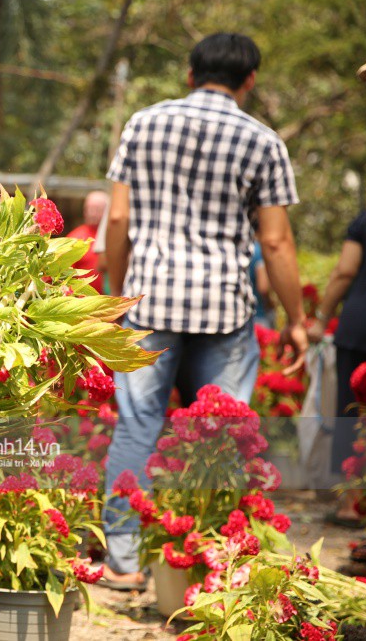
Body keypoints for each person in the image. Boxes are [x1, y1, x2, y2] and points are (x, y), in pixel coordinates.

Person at [100, 33, 308, 590]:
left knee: (137, 428)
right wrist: (295, 319)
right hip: (224, 308)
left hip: (149, 300)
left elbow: (116, 221)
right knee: (220, 437)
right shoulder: (264, 142)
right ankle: (213, 558)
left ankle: (122, 562)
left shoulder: (142, 124)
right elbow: (278, 242)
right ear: (250, 81)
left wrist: (115, 296)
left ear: (190, 74)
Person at [307, 157, 366, 527]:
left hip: (360, 326)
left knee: (352, 413)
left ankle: (352, 503)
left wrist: (320, 318)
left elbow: (345, 271)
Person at [67, 190, 109, 292]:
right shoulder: (75, 238)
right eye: (88, 209)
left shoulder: (113, 236)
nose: (92, 213)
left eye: (97, 209)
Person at [249, 239, 276, 329]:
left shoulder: (241, 248)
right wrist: (270, 302)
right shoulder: (259, 251)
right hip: (260, 315)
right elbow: (263, 287)